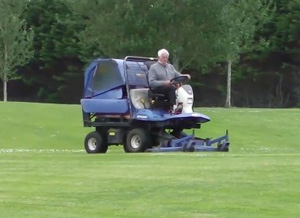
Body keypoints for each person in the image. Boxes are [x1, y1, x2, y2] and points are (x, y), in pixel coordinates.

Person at [148, 48, 191, 113]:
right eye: (163, 57)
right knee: (171, 88)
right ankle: (173, 107)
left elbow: (178, 76)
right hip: (158, 88)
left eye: (166, 57)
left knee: (180, 89)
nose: (165, 59)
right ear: (159, 57)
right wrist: (164, 83)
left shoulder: (170, 67)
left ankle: (185, 107)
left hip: (170, 87)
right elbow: (152, 83)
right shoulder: (153, 68)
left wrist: (185, 76)